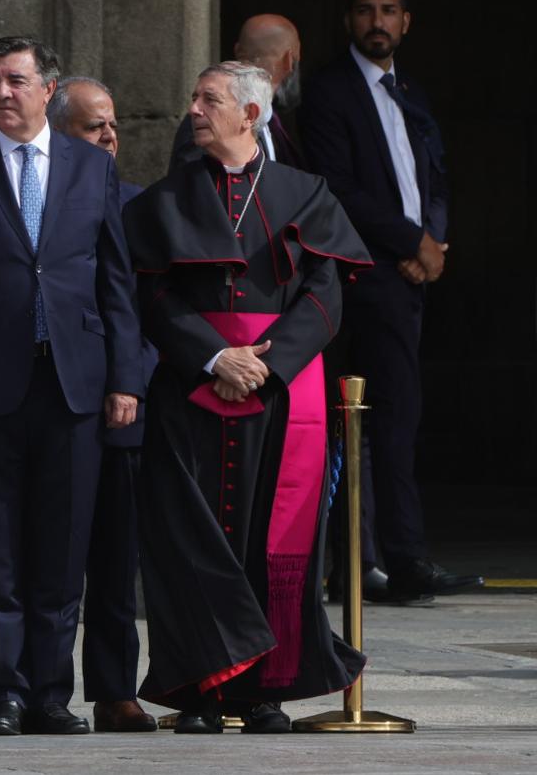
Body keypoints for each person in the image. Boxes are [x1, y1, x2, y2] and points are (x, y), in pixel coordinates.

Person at [124, 61, 372, 733]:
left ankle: (265, 693)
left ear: (251, 115)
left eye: (209, 99)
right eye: (195, 98)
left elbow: (326, 294)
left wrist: (269, 365)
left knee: (273, 539)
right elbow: (153, 296)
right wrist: (213, 356)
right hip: (192, 390)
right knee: (190, 542)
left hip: (280, 398)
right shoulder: (164, 200)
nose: (194, 109)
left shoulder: (306, 192)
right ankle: (198, 693)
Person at [0, 36, 143, 737]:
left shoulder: (88, 167)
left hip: (74, 385)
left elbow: (115, 280)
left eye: (16, 80)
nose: (3, 93)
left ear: (47, 89)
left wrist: (125, 378)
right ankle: (4, 695)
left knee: (62, 553)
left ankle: (52, 694)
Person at [300, 0, 482, 604]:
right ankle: (378, 560)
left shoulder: (409, 93)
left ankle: (398, 556)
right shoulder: (329, 92)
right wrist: (410, 245)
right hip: (362, 280)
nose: (377, 21)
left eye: (388, 12)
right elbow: (340, 188)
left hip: (407, 275)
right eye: (365, 11)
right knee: (369, 423)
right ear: (347, 20)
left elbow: (432, 175)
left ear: (408, 21)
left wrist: (431, 240)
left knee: (401, 419)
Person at [47, 77, 158, 733]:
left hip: (121, 403)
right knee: (54, 559)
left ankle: (116, 689)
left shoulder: (140, 206)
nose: (110, 137)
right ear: (61, 136)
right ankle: (47, 688)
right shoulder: (42, 207)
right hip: (58, 401)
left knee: (117, 559)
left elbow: (149, 312)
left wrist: (132, 381)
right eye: (94, 127)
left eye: (113, 125)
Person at [171, 14, 304, 171]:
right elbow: (191, 187)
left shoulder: (272, 120)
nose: (195, 109)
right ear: (288, 61)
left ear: (237, 50)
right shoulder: (207, 119)